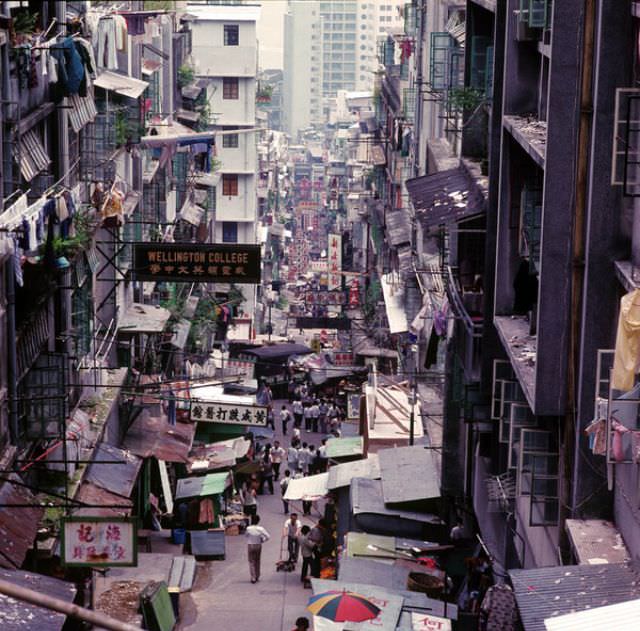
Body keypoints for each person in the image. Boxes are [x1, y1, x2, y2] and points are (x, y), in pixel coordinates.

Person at [245, 514, 270, 583]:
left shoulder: (248, 528)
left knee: (251, 561)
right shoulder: (261, 529)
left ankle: (253, 577)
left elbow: (246, 535)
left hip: (250, 545)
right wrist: (262, 540)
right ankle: (257, 575)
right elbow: (268, 536)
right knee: (257, 560)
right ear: (258, 521)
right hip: (258, 545)